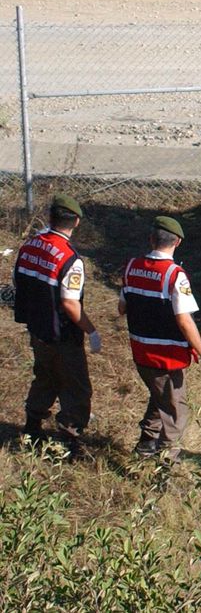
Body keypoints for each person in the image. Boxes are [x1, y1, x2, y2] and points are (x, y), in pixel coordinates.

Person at [119, 216, 201, 462]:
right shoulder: (174, 275)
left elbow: (122, 308)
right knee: (175, 411)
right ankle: (166, 462)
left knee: (158, 394)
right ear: (178, 242)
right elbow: (184, 321)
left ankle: (145, 445)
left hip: (141, 353)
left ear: (151, 239)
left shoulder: (131, 268)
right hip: (166, 357)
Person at [13, 194, 101, 452]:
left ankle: (32, 428)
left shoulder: (30, 245)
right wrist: (92, 331)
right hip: (62, 334)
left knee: (45, 376)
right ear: (75, 222)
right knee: (77, 387)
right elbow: (70, 304)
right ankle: (69, 440)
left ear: (50, 218)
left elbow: (18, 282)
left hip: (37, 328)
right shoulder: (70, 259)